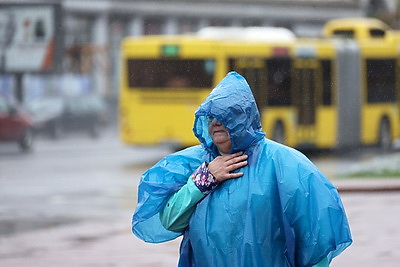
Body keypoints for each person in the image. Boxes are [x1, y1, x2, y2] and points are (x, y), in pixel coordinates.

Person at [132, 71, 352, 267]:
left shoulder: (285, 164)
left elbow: (318, 236)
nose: (216, 122)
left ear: (246, 118)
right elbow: (168, 221)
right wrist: (203, 181)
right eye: (211, 117)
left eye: (226, 115)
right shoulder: (192, 163)